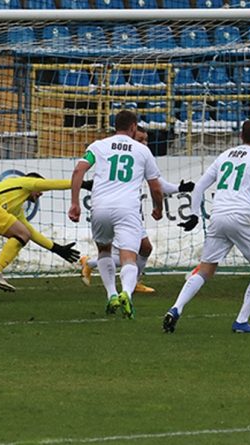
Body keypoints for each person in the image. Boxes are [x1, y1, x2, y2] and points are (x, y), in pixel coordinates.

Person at [164, 119, 250, 334]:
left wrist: (194, 215)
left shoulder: (225, 155)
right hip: (242, 216)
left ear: (241, 135)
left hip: (218, 216)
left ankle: (176, 307)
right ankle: (241, 321)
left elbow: (200, 186)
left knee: (205, 269)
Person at [69, 110, 164, 319]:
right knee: (129, 257)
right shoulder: (142, 150)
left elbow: (78, 171)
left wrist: (75, 203)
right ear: (133, 127)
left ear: (115, 126)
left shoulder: (98, 146)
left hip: (100, 207)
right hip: (127, 209)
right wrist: (159, 208)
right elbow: (156, 187)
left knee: (104, 251)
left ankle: (112, 294)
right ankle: (127, 293)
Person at [78, 126, 195, 293]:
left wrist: (179, 188)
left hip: (129, 211)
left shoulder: (140, 155)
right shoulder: (121, 153)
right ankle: (102, 272)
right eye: (140, 139)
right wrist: (159, 207)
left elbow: (158, 184)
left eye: (146, 140)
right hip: (119, 211)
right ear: (131, 136)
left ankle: (120, 278)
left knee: (144, 248)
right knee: (128, 254)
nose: (144, 143)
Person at [0, 173, 81, 293]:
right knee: (22, 234)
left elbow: (30, 232)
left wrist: (56, 248)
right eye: (39, 189)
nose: (41, 193)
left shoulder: (16, 208)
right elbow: (53, 184)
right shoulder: (25, 182)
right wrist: (82, 183)